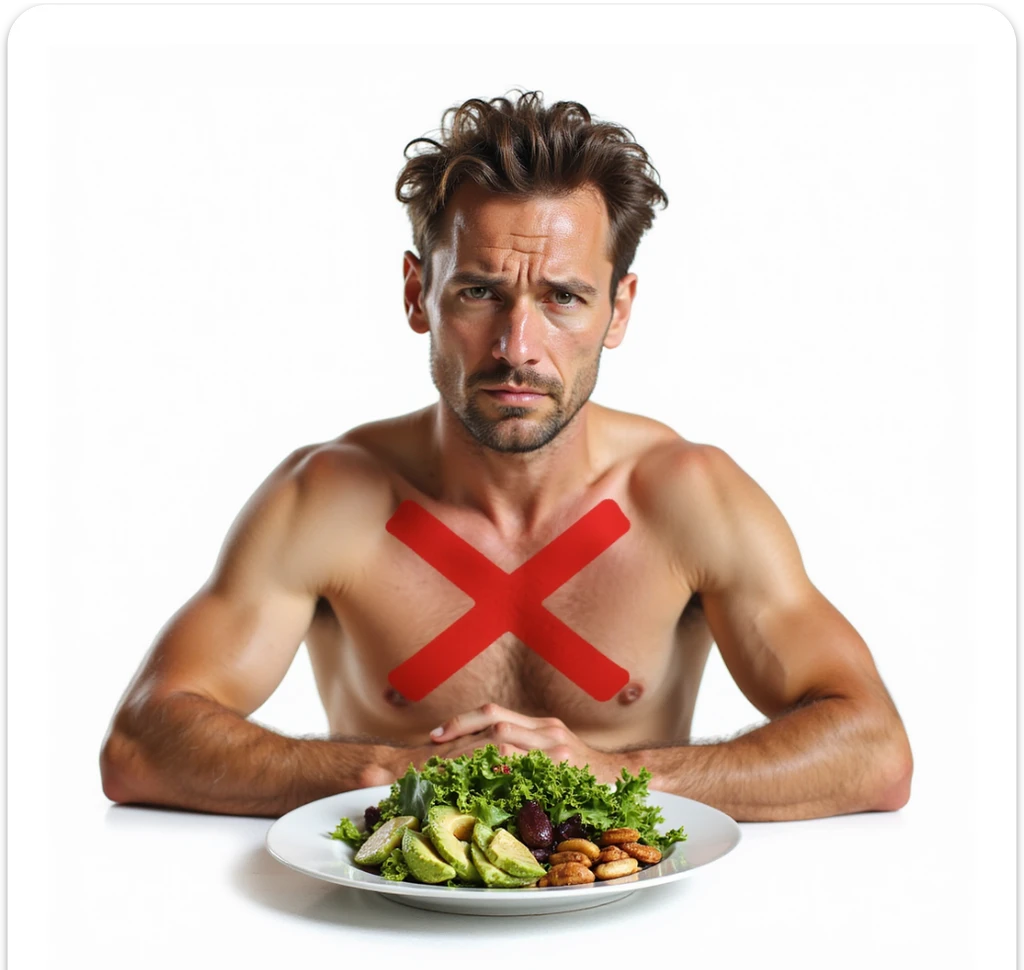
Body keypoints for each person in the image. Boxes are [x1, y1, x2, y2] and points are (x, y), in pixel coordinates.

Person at [99, 91, 912, 822]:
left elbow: (874, 749)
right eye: (480, 292)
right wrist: (389, 772)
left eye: (563, 297)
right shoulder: (326, 498)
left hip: (630, 916)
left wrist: (617, 775)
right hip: (377, 922)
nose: (517, 348)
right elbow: (141, 743)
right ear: (418, 294)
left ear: (618, 308)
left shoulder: (690, 498)